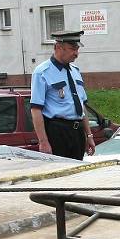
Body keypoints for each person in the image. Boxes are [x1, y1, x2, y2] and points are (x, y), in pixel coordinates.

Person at [30, 29, 95, 160]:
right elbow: (36, 109)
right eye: (72, 49)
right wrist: (43, 142)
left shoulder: (75, 71)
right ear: (59, 47)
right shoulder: (42, 72)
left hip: (77, 132)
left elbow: (81, 106)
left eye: (77, 49)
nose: (76, 53)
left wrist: (89, 135)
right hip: (57, 132)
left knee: (76, 176)